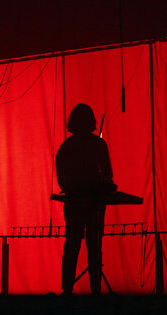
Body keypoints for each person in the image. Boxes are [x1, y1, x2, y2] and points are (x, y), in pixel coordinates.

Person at [56, 104, 116, 295]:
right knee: (94, 245)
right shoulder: (98, 145)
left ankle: (67, 289)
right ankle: (95, 289)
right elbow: (107, 174)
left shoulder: (66, 147)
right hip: (94, 204)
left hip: (75, 202)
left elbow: (62, 178)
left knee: (73, 244)